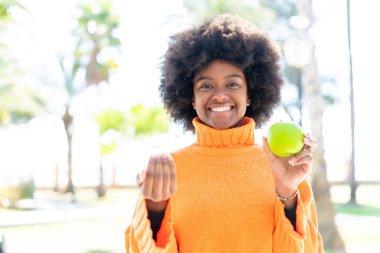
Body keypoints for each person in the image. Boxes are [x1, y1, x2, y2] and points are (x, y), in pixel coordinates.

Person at [125, 14, 323, 252]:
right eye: (206, 85)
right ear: (191, 98)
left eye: (232, 84)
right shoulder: (168, 170)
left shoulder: (284, 167)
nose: (219, 95)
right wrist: (156, 212)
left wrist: (286, 191)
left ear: (250, 94)